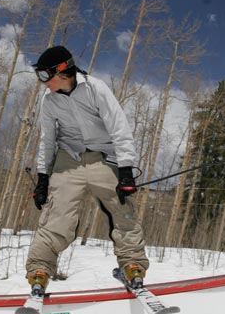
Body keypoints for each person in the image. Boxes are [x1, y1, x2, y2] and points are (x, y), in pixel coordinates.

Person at [26, 45, 149, 294]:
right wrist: (42, 178)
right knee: (56, 214)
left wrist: (125, 171)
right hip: (68, 159)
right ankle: (40, 269)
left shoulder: (95, 89)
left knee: (121, 209)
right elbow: (47, 140)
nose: (43, 83)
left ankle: (132, 264)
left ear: (62, 71)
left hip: (102, 157)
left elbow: (119, 129)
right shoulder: (48, 100)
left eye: (44, 76)